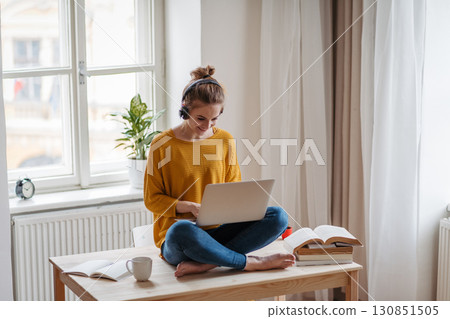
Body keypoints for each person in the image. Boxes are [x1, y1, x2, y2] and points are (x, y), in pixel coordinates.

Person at [144, 65, 295, 277]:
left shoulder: (225, 139)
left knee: (278, 216)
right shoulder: (161, 144)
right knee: (181, 230)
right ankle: (250, 262)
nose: (208, 125)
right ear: (185, 108)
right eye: (201, 118)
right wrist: (188, 206)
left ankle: (209, 263)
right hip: (182, 239)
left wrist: (241, 206)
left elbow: (234, 188)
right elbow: (151, 199)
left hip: (219, 233)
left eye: (214, 118)